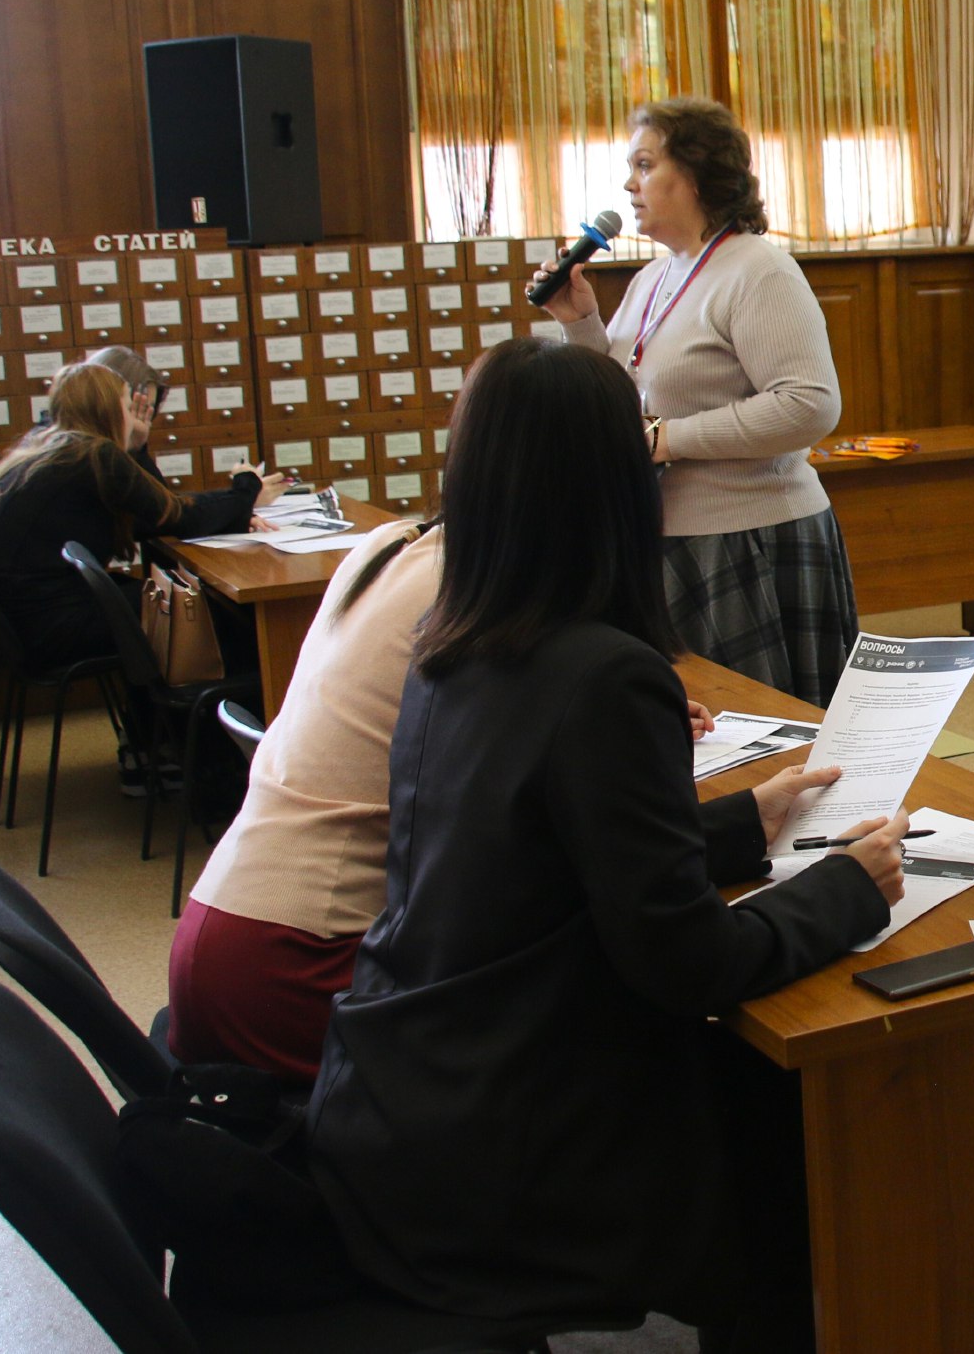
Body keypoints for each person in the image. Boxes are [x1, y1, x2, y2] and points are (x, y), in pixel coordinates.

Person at [305, 338, 906, 1348]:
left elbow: (537, 856)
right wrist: (848, 885)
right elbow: (688, 963)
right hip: (510, 1143)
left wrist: (738, 824)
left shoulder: (454, 645)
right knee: (801, 1126)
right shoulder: (603, 674)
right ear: (615, 487)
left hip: (404, 1100)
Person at [167, 503, 840, 1083]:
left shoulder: (396, 545)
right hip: (307, 964)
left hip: (222, 930)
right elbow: (652, 923)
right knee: (641, 1024)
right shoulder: (488, 593)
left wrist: (736, 822)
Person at [538, 95, 862, 706]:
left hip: (751, 537)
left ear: (696, 174)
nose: (628, 185)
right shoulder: (652, 279)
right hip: (662, 532)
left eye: (644, 166)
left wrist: (669, 440)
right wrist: (581, 325)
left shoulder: (759, 271)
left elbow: (808, 406)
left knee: (767, 734)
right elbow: (622, 400)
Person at [0, 362, 285, 789]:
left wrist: (136, 444)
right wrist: (245, 488)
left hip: (16, 620)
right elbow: (177, 516)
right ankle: (220, 766)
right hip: (46, 623)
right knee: (206, 616)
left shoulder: (51, 448)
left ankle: (154, 750)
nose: (132, 409)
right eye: (125, 402)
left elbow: (153, 513)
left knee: (157, 601)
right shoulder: (90, 455)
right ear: (106, 407)